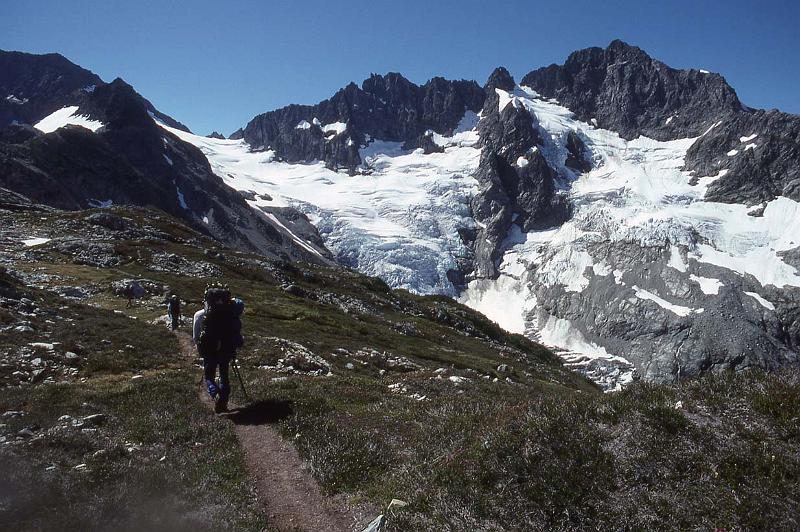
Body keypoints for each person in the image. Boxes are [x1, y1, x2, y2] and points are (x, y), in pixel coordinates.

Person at [193, 285, 240, 413]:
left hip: (209, 349)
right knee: (224, 375)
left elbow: (196, 337)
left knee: (209, 377)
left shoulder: (199, 315)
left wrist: (201, 350)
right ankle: (223, 402)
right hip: (226, 348)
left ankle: (215, 394)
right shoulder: (229, 314)